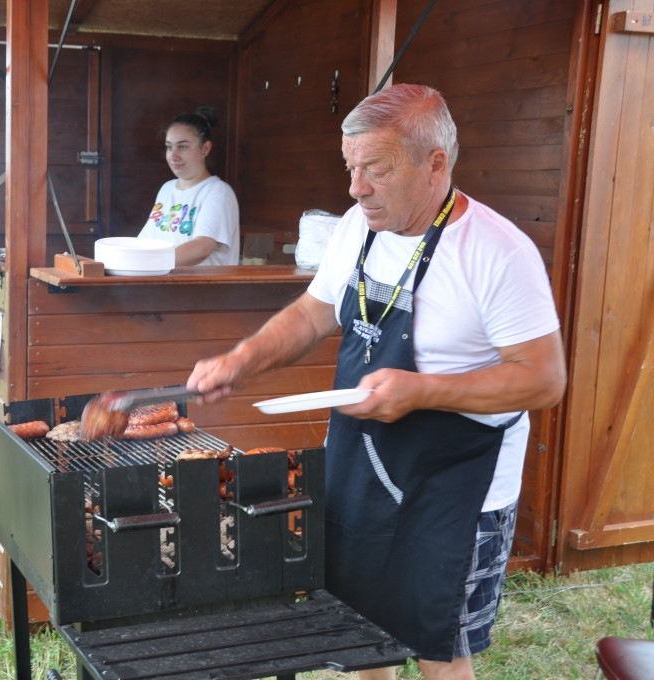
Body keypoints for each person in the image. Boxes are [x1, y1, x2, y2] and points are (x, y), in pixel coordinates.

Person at [186, 84, 567, 680]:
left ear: (435, 163)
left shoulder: (497, 252)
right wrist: (243, 359)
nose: (356, 187)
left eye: (376, 170)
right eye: (351, 167)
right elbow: (314, 313)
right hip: (361, 467)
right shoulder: (356, 226)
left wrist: (423, 392)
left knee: (441, 653)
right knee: (361, 634)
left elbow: (543, 380)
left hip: (457, 488)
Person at [138, 106, 240, 266]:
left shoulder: (218, 192)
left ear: (205, 148)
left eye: (183, 146)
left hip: (202, 290)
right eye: (169, 146)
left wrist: (147, 262)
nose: (173, 155)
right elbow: (145, 242)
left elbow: (202, 248)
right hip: (162, 287)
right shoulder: (167, 189)